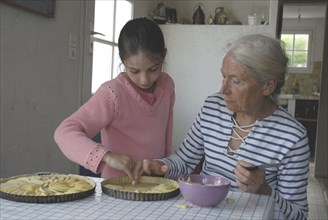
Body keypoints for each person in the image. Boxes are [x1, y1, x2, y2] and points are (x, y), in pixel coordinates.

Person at [134, 34, 310, 219]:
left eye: (235, 81)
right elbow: (185, 161)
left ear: (267, 87)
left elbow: (298, 215)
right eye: (223, 76)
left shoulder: (293, 137)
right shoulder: (213, 107)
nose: (223, 89)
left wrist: (264, 190)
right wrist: (161, 166)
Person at [54, 17, 175, 181]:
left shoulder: (166, 85)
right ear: (123, 61)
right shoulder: (113, 94)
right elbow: (64, 133)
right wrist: (107, 156)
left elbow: (166, 139)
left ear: (164, 56)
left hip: (157, 185)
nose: (145, 79)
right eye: (134, 71)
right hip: (116, 188)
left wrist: (165, 168)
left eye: (153, 69)